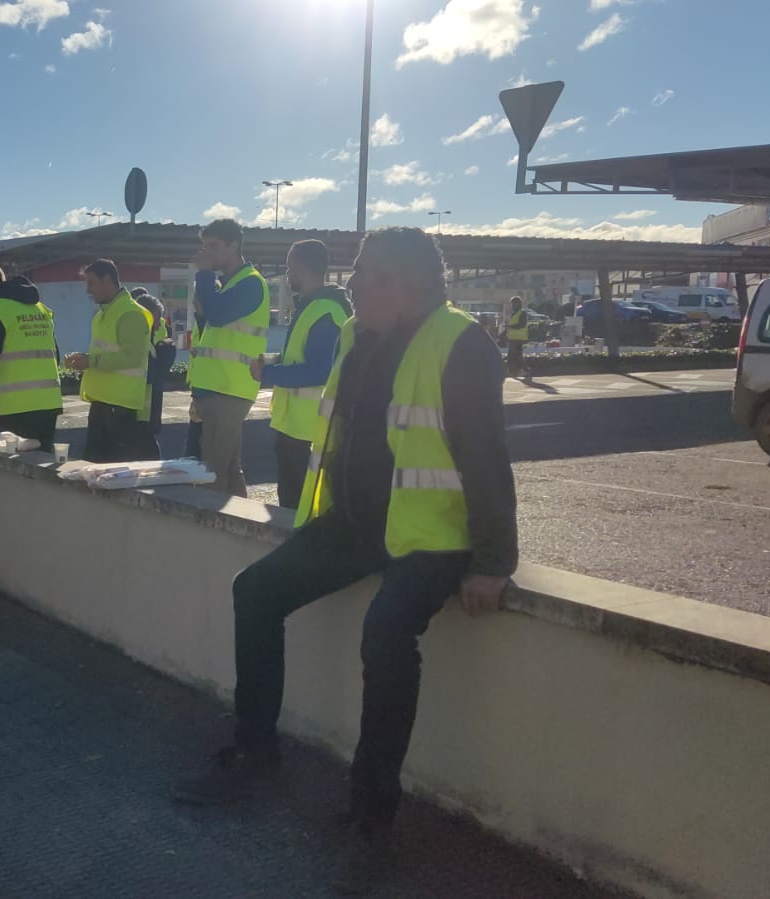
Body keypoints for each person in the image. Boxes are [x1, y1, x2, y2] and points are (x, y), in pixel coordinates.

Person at [174, 228, 517, 893]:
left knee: (386, 632)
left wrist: (493, 561)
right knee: (256, 589)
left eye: (365, 275)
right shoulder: (363, 337)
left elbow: (485, 455)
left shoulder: (460, 342)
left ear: (404, 283)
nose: (352, 285)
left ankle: (371, 809)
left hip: (431, 537)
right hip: (358, 524)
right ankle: (253, 746)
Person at [254, 240, 350, 510]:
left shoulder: (325, 310)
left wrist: (269, 373)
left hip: (310, 431)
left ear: (302, 266)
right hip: (298, 427)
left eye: (289, 265)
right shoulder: (313, 306)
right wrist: (274, 363)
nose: (287, 273)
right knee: (293, 506)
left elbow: (320, 370)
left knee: (300, 509)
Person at [187, 218, 270, 496]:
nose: (206, 252)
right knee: (230, 471)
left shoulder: (250, 283)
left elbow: (219, 316)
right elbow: (212, 324)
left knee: (214, 473)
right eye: (204, 246)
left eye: (213, 246)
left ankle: (210, 532)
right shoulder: (230, 283)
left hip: (228, 390)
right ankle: (241, 528)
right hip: (220, 388)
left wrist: (205, 276)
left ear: (234, 245)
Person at [0, 260, 62, 452]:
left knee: (11, 465)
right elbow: (55, 355)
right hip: (49, 401)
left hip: (15, 405)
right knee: (41, 463)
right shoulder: (41, 309)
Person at [67, 260, 155, 462]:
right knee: (93, 468)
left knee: (112, 470)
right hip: (104, 403)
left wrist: (90, 361)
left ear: (107, 280)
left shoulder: (130, 312)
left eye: (91, 283)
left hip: (120, 406)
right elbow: (106, 354)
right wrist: (84, 360)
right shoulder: (103, 313)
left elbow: (132, 357)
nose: (88, 290)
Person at [134, 290, 176, 439]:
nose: (159, 325)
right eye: (157, 319)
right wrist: (165, 357)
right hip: (138, 416)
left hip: (145, 414)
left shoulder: (147, 340)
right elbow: (151, 375)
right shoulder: (137, 343)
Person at [506, 296, 530, 379]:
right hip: (513, 337)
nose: (512, 305)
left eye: (513, 303)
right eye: (511, 304)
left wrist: (510, 326)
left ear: (518, 303)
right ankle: (521, 371)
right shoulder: (514, 313)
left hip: (518, 337)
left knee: (513, 355)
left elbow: (521, 324)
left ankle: (514, 372)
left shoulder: (522, 312)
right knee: (517, 355)